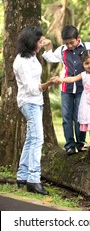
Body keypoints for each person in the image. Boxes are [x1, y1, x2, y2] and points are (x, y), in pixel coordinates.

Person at [42, 25, 90, 154]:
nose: (69, 46)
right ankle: (69, 145)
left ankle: (80, 144)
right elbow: (50, 58)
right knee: (67, 117)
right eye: (66, 43)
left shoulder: (88, 47)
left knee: (80, 117)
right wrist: (49, 45)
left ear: (78, 38)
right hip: (66, 88)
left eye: (71, 42)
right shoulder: (62, 50)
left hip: (83, 89)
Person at [13, 26, 54, 195]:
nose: (41, 42)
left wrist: (46, 46)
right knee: (37, 139)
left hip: (36, 102)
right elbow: (31, 88)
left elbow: (46, 57)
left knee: (31, 139)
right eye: (39, 41)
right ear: (31, 42)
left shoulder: (31, 57)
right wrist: (48, 84)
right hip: (29, 102)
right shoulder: (21, 61)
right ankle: (34, 180)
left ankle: (22, 176)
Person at [51, 48, 90, 147]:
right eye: (87, 63)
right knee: (89, 120)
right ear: (82, 64)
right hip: (87, 100)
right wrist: (61, 79)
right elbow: (72, 78)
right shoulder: (83, 74)